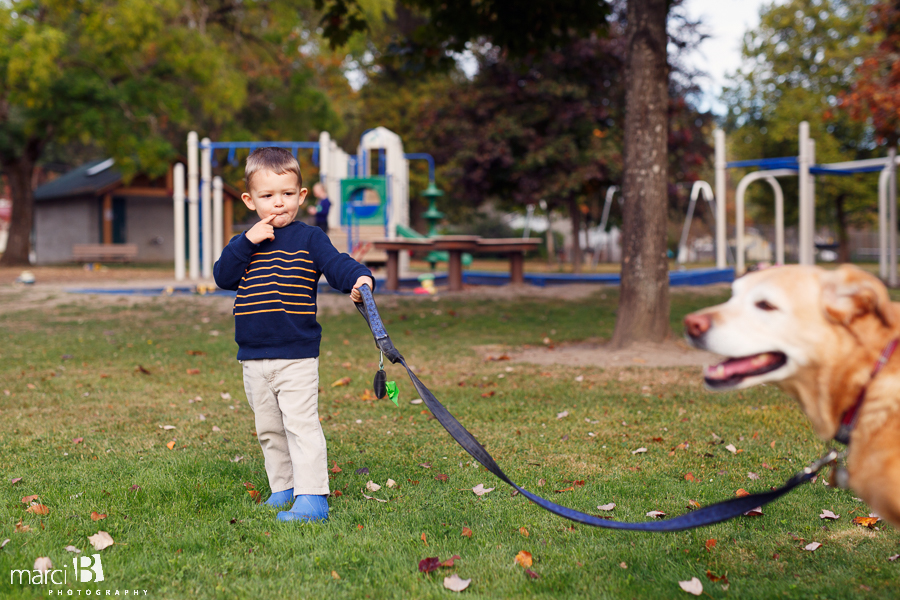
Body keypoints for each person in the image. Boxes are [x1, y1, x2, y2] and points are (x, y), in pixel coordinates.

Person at [214, 147, 374, 522]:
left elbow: (337, 265)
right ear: (250, 200)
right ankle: (283, 488)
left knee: (300, 426)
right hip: (253, 356)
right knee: (269, 429)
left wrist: (360, 278)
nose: (278, 204)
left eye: (287, 194)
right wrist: (247, 240)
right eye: (268, 196)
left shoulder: (309, 238)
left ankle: (313, 498)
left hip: (297, 355)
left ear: (301, 196)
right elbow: (223, 276)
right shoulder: (247, 242)